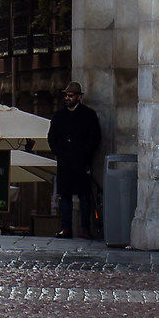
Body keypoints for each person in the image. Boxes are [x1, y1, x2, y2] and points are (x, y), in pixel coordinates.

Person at [47, 82, 104, 240]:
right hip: (65, 162)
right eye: (66, 96)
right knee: (64, 196)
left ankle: (85, 228)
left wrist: (85, 153)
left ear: (78, 97)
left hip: (81, 161)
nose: (67, 98)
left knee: (84, 196)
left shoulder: (88, 115)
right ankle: (66, 228)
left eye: (70, 96)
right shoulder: (59, 116)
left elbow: (95, 137)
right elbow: (52, 137)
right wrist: (59, 152)